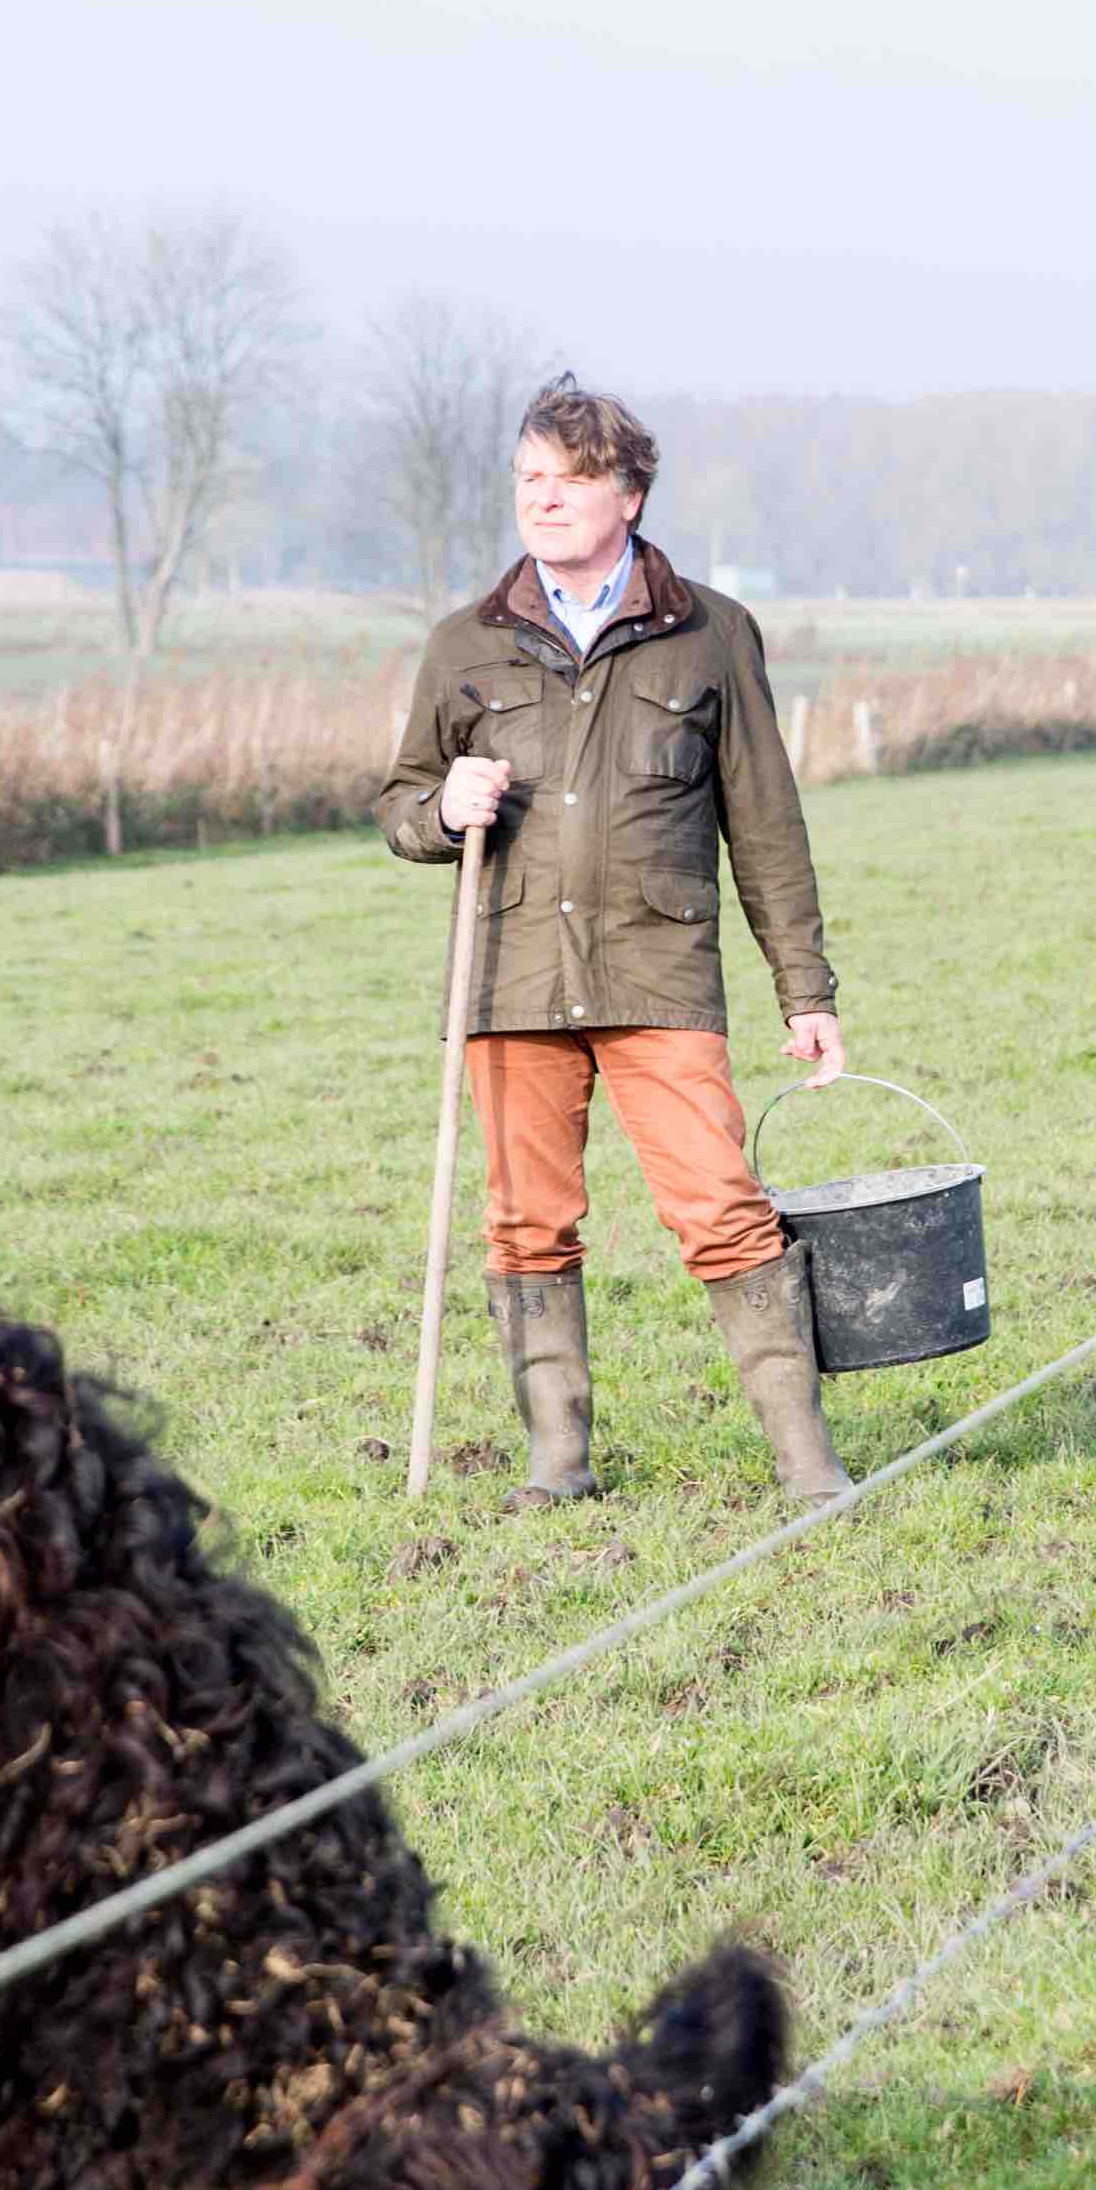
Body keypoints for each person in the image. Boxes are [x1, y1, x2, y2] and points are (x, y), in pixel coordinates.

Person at [381, 379, 854, 1511]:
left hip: (660, 971)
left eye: (569, 479)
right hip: (510, 980)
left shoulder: (710, 635)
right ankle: (557, 1465)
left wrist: (805, 989)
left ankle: (807, 1464)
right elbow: (400, 809)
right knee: (526, 1220)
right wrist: (445, 807)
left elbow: (767, 826)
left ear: (628, 495)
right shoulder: (465, 645)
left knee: (722, 1207)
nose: (542, 500)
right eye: (526, 480)